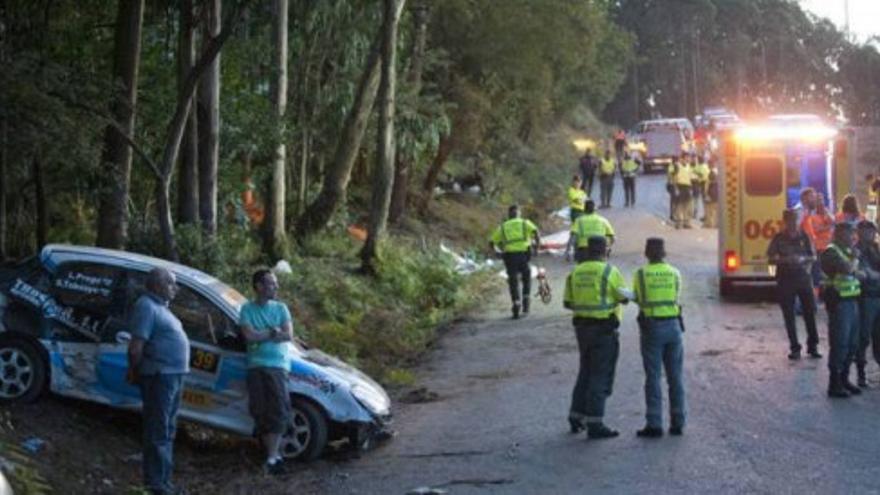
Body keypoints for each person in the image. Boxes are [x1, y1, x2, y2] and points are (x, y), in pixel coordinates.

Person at [126, 268, 190, 495]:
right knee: (158, 431)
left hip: (172, 376)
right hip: (158, 376)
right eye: (171, 283)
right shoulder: (146, 306)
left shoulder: (162, 308)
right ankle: (155, 486)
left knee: (167, 430)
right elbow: (136, 347)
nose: (175, 288)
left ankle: (164, 482)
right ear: (156, 285)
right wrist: (134, 371)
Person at [564, 235, 632, 439]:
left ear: (587, 250)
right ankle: (595, 423)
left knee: (585, 371)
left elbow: (567, 303)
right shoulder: (610, 271)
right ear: (605, 251)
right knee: (600, 375)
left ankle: (576, 417)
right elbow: (623, 298)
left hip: (582, 330)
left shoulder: (575, 272)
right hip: (604, 330)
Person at [240, 269, 294, 474]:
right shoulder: (247, 309)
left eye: (275, 283)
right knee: (260, 410)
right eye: (271, 283)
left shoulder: (281, 308)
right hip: (255, 365)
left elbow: (288, 335)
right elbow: (249, 336)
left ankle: (274, 457)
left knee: (279, 409)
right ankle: (272, 457)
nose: (276, 287)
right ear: (259, 287)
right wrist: (272, 332)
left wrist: (263, 334)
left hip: (277, 365)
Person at [633, 238, 686, 437]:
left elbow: (638, 297)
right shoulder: (674, 273)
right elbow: (676, 296)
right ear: (664, 253)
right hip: (673, 326)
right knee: (675, 377)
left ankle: (654, 423)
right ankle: (678, 422)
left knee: (653, 376)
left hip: (652, 328)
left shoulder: (641, 274)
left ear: (647, 253)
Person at [767, 209, 821, 360]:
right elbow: (770, 260)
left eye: (795, 220)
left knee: (810, 313)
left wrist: (803, 260)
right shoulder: (778, 238)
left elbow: (813, 256)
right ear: (785, 222)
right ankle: (795, 348)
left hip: (803, 279)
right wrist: (778, 270)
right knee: (789, 316)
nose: (793, 223)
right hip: (785, 280)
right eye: (790, 220)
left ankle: (813, 346)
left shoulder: (804, 236)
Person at [820, 223, 863, 398]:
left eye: (852, 233)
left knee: (852, 344)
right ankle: (834, 383)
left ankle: (844, 378)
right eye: (848, 233)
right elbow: (846, 268)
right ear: (838, 234)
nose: (851, 237)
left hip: (852, 301)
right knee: (840, 343)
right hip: (839, 303)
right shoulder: (831, 252)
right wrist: (855, 258)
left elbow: (854, 274)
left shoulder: (847, 252)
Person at [490, 205, 541, 319]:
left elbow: (492, 242)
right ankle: (526, 300)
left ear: (509, 214)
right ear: (519, 213)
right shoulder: (525, 223)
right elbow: (536, 232)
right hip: (524, 254)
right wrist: (537, 247)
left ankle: (516, 302)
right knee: (526, 277)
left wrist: (497, 252)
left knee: (513, 280)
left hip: (509, 256)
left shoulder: (503, 227)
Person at [855, 220, 880, 387]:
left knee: (877, 337)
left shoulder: (875, 248)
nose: (870, 235)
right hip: (866, 297)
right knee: (863, 337)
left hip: (876, 295)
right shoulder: (856, 250)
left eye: (872, 232)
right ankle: (861, 373)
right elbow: (865, 274)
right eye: (867, 232)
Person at [801, 193, 834, 289]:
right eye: (817, 200)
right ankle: (814, 298)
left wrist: (824, 209)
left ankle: (818, 296)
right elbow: (814, 229)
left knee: (821, 274)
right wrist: (827, 227)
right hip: (816, 248)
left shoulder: (823, 213)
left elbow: (832, 221)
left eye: (821, 200)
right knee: (814, 274)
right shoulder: (809, 214)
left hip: (825, 248)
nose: (819, 202)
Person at [564, 176, 588, 261]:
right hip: (575, 212)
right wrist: (581, 200)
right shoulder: (571, 190)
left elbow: (585, 200)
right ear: (573, 182)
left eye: (579, 182)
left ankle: (577, 252)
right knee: (575, 232)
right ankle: (568, 252)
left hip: (582, 212)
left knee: (580, 233)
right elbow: (577, 201)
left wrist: (581, 200)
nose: (578, 184)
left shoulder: (582, 192)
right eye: (576, 182)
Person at [672, 154, 694, 229]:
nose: (688, 159)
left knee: (687, 206)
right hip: (680, 186)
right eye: (686, 158)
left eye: (688, 158)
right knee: (679, 206)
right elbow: (674, 178)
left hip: (687, 187)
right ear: (682, 158)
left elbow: (691, 177)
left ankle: (687, 223)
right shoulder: (677, 166)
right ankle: (679, 223)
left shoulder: (689, 166)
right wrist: (676, 189)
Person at [691, 156, 710, 221]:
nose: (698, 161)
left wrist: (696, 173)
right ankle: (701, 214)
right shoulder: (704, 166)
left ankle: (704, 215)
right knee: (701, 200)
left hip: (703, 184)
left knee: (703, 200)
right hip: (701, 184)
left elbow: (700, 174)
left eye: (699, 160)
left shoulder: (702, 166)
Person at [702, 160, 719, 228]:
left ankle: (709, 224)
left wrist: (706, 194)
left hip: (711, 193)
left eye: (708, 165)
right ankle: (716, 224)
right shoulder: (718, 172)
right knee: (715, 210)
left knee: (709, 210)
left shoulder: (710, 172)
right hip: (716, 193)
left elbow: (707, 185)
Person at [666, 157, 679, 222]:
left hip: (677, 184)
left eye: (676, 161)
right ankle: (672, 215)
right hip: (672, 185)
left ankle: (675, 214)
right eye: (675, 161)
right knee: (673, 200)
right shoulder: (671, 166)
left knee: (676, 200)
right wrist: (676, 170)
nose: (676, 162)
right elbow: (671, 174)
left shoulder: (677, 166)